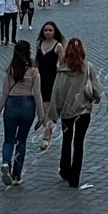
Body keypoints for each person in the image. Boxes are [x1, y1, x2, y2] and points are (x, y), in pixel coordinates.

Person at [47, 38, 101, 189]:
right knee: (79, 143)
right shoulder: (88, 67)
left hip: (66, 112)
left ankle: (64, 170)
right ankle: (74, 177)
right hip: (83, 111)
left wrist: (54, 111)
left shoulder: (61, 70)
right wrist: (95, 98)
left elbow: (56, 91)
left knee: (66, 140)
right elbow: (97, 89)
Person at [0, 40, 45, 186]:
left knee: (9, 139)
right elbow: (37, 94)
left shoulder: (10, 69)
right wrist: (41, 116)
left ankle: (6, 163)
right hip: (28, 105)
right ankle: (16, 174)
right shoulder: (34, 71)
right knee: (21, 141)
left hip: (11, 104)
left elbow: (4, 94)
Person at [36, 22, 67, 152]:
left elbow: (63, 63)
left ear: (54, 32)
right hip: (39, 79)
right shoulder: (40, 44)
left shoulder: (58, 46)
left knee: (47, 108)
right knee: (41, 108)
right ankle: (48, 130)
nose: (47, 32)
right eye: (46, 30)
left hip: (52, 79)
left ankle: (46, 136)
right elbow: (36, 62)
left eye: (50, 30)